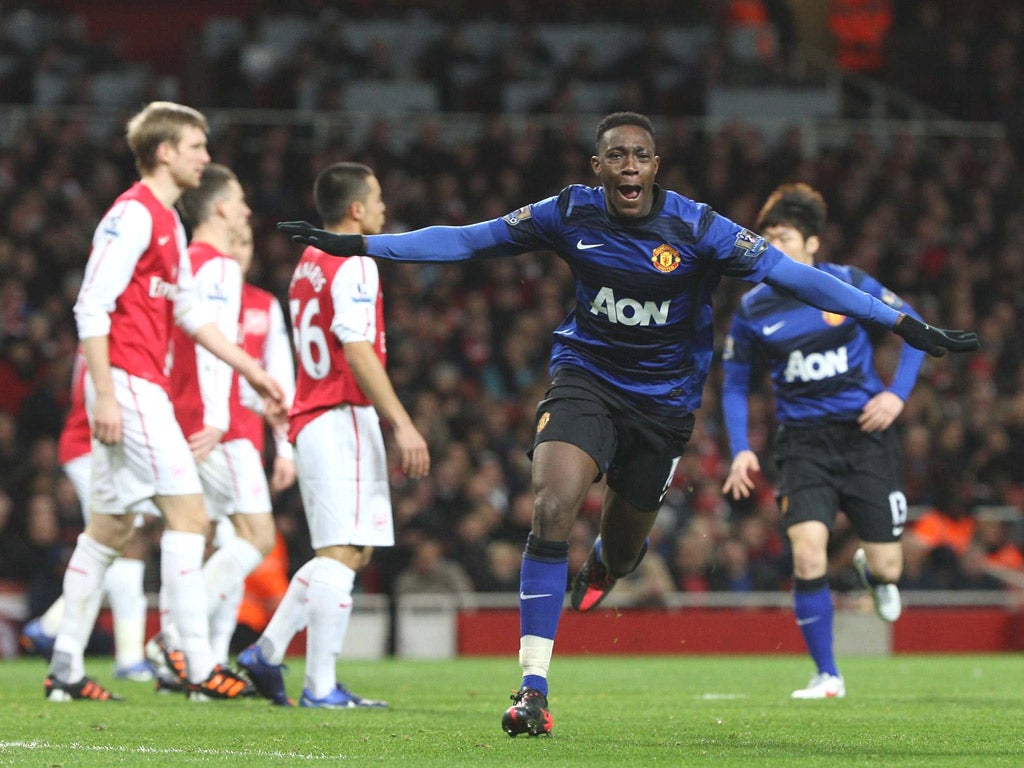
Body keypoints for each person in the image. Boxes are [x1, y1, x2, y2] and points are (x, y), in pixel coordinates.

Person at [277, 112, 978, 735]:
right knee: (550, 504)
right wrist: (364, 248)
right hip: (585, 378)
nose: (630, 167)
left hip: (664, 406)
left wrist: (896, 321)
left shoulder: (700, 228)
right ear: (599, 167)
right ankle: (532, 688)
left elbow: (797, 277)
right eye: (617, 156)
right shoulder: (568, 213)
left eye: (641, 155)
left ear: (656, 167)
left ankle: (608, 565)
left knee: (623, 544)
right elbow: (467, 240)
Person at [47, 101, 283, 702]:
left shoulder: (168, 223)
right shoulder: (131, 215)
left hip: (134, 383)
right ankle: (198, 664)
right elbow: (90, 306)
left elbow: (187, 311)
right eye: (196, 146)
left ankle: (66, 669)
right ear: (164, 152)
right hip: (128, 383)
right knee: (191, 517)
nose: (205, 156)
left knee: (108, 529)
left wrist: (250, 368)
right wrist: (103, 393)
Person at [238, 162, 430, 709]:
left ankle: (267, 652)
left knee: (350, 552)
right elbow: (356, 344)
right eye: (377, 198)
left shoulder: (308, 263)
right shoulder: (354, 258)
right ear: (355, 210)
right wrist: (403, 422)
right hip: (339, 412)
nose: (384, 208)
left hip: (319, 414)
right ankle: (319, 686)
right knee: (341, 551)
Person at [720, 183, 922, 699]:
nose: (773, 247)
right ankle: (827, 674)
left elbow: (914, 326)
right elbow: (736, 382)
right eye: (766, 239)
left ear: (812, 244)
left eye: (783, 237)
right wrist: (741, 445)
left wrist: (897, 396)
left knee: (889, 568)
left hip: (864, 437)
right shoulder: (753, 308)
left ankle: (873, 574)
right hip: (802, 443)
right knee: (807, 553)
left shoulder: (846, 284)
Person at [147, 164, 294, 690]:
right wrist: (216, 417)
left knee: (199, 530)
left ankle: (183, 648)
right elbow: (209, 350)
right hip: (219, 423)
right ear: (220, 208)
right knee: (253, 535)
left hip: (187, 412)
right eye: (240, 200)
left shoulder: (186, 262)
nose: (248, 210)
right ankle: (173, 640)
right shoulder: (220, 267)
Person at [21, 348, 158, 682]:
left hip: (105, 446)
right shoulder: (116, 330)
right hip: (95, 446)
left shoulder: (104, 328)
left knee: (122, 541)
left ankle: (52, 627)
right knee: (116, 540)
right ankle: (126, 656)